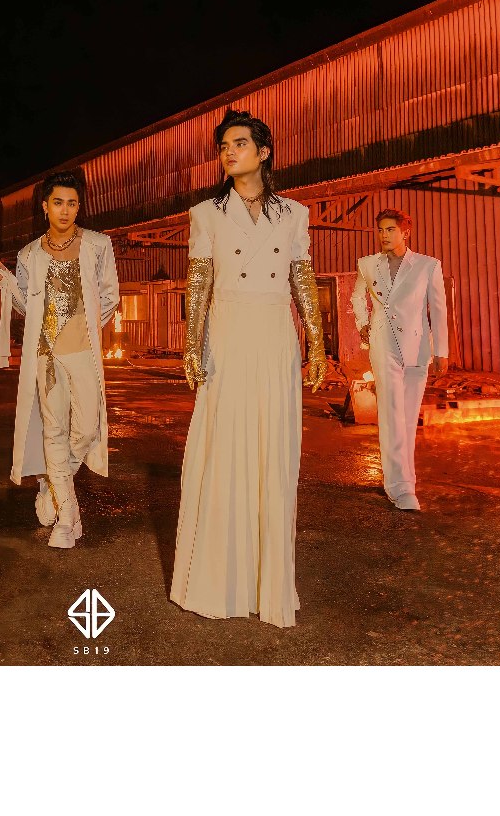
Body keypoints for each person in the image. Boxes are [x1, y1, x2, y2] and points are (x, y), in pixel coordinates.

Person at [170, 109, 326, 628]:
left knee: (272, 450)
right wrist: (191, 345)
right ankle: (219, 579)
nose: (228, 152)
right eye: (223, 146)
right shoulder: (206, 214)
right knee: (226, 444)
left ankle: (268, 583)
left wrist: (317, 343)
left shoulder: (295, 214)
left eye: (239, 143)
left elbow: (302, 279)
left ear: (264, 152)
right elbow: (198, 282)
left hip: (275, 338)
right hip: (229, 335)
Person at [0, 171, 119, 549]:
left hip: (83, 352)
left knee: (88, 428)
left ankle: (52, 481)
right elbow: (27, 306)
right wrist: (6, 281)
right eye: (58, 203)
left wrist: (86, 329)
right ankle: (66, 516)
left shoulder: (98, 245)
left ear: (79, 207)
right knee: (54, 431)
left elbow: (109, 296)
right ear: (45, 206)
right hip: (45, 355)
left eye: (72, 203)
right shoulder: (29, 254)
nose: (65, 210)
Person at [351, 208, 448, 512]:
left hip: (417, 348)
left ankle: (405, 480)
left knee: (407, 417)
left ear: (405, 232)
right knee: (392, 414)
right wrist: (362, 322)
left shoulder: (428, 266)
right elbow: (357, 297)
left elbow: (438, 309)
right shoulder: (367, 264)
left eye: (390, 229)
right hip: (384, 345)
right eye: (380, 230)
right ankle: (400, 487)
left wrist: (442, 350)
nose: (384, 235)